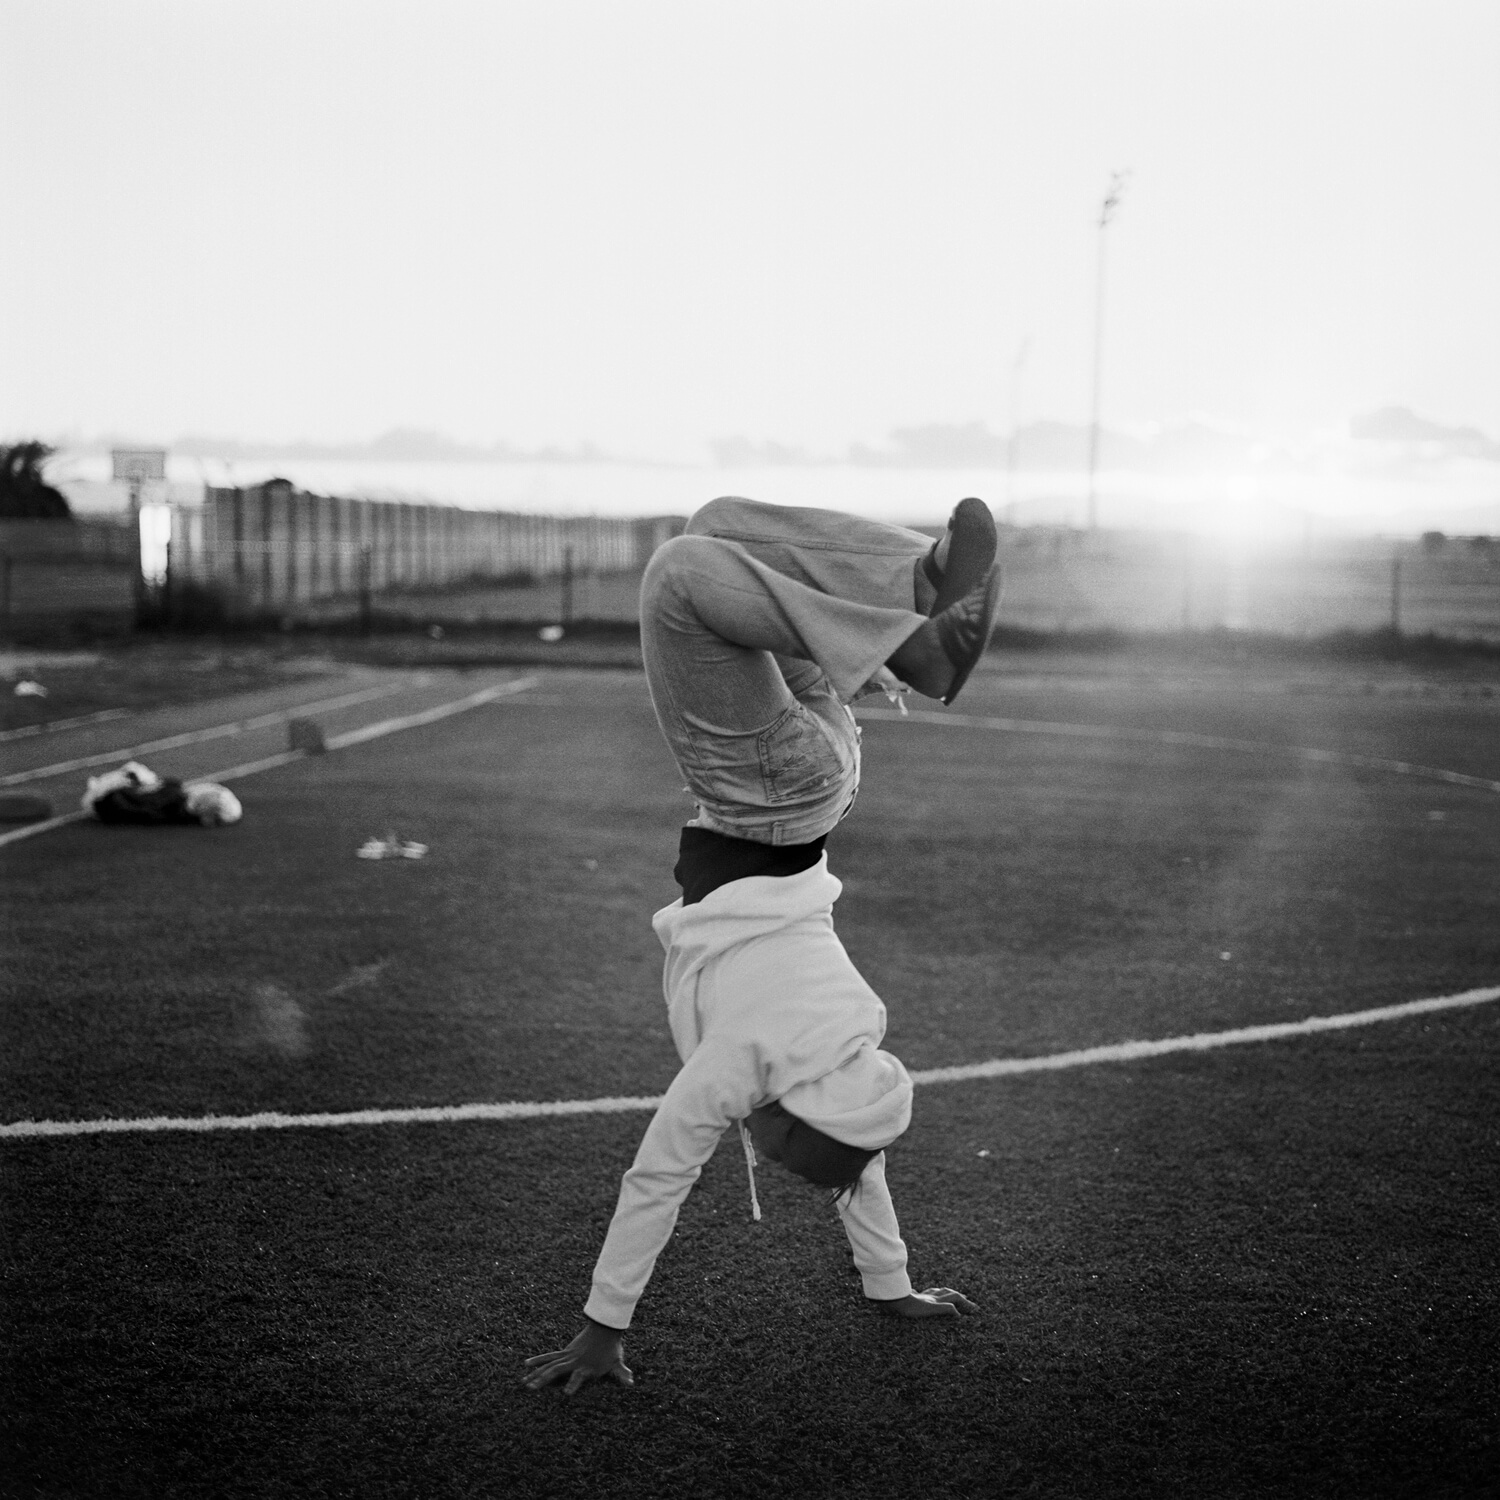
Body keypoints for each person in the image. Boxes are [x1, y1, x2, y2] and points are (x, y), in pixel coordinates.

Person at [523, 497, 1000, 1396]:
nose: (779, 1158)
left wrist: (892, 1285)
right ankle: (917, 633)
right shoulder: (748, 1063)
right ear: (792, 1118)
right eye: (794, 1152)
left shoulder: (843, 1045)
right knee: (679, 576)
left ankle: (918, 592)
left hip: (828, 775)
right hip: (767, 798)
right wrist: (600, 1330)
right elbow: (658, 1177)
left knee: (716, 526)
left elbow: (858, 1162)